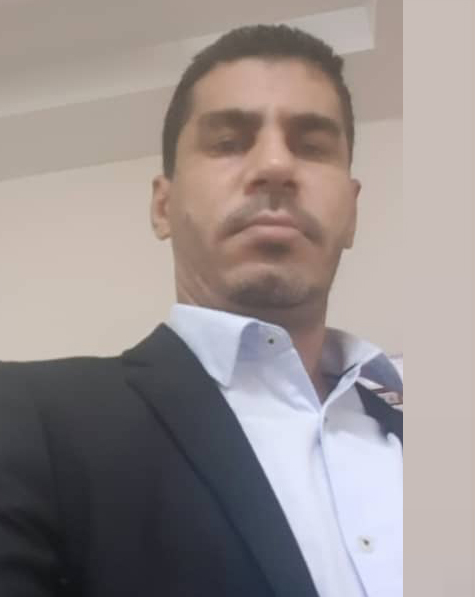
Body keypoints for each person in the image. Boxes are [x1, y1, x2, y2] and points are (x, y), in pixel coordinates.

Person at [0, 24, 402, 597]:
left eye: (312, 147)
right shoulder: (26, 417)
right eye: (229, 142)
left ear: (352, 214)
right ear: (163, 206)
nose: (275, 166)